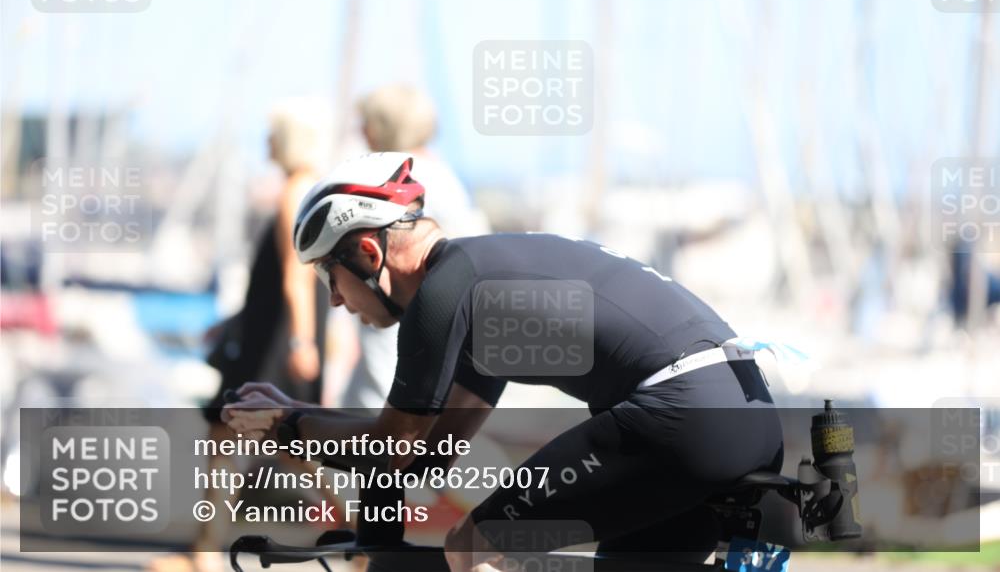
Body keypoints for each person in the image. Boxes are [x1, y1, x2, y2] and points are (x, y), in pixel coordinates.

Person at [225, 152, 784, 572]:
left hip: (682, 414)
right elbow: (425, 454)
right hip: (747, 415)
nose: (334, 301)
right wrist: (301, 421)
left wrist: (287, 425)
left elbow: (392, 446)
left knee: (472, 545)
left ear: (369, 254)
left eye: (330, 275)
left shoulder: (443, 295)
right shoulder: (478, 285)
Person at [150, 101, 328, 572]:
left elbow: (295, 275)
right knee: (267, 443)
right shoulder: (309, 189)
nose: (265, 143)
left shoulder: (295, 191)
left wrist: (302, 342)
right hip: (270, 337)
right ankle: (204, 551)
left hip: (275, 345)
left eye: (272, 136)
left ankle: (205, 554)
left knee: (278, 445)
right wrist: (235, 322)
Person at [342, 85, 488, 410]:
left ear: (382, 127)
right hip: (437, 321)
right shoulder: (443, 175)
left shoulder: (396, 177)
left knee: (373, 415)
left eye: (366, 123)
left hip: (397, 319)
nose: (361, 131)